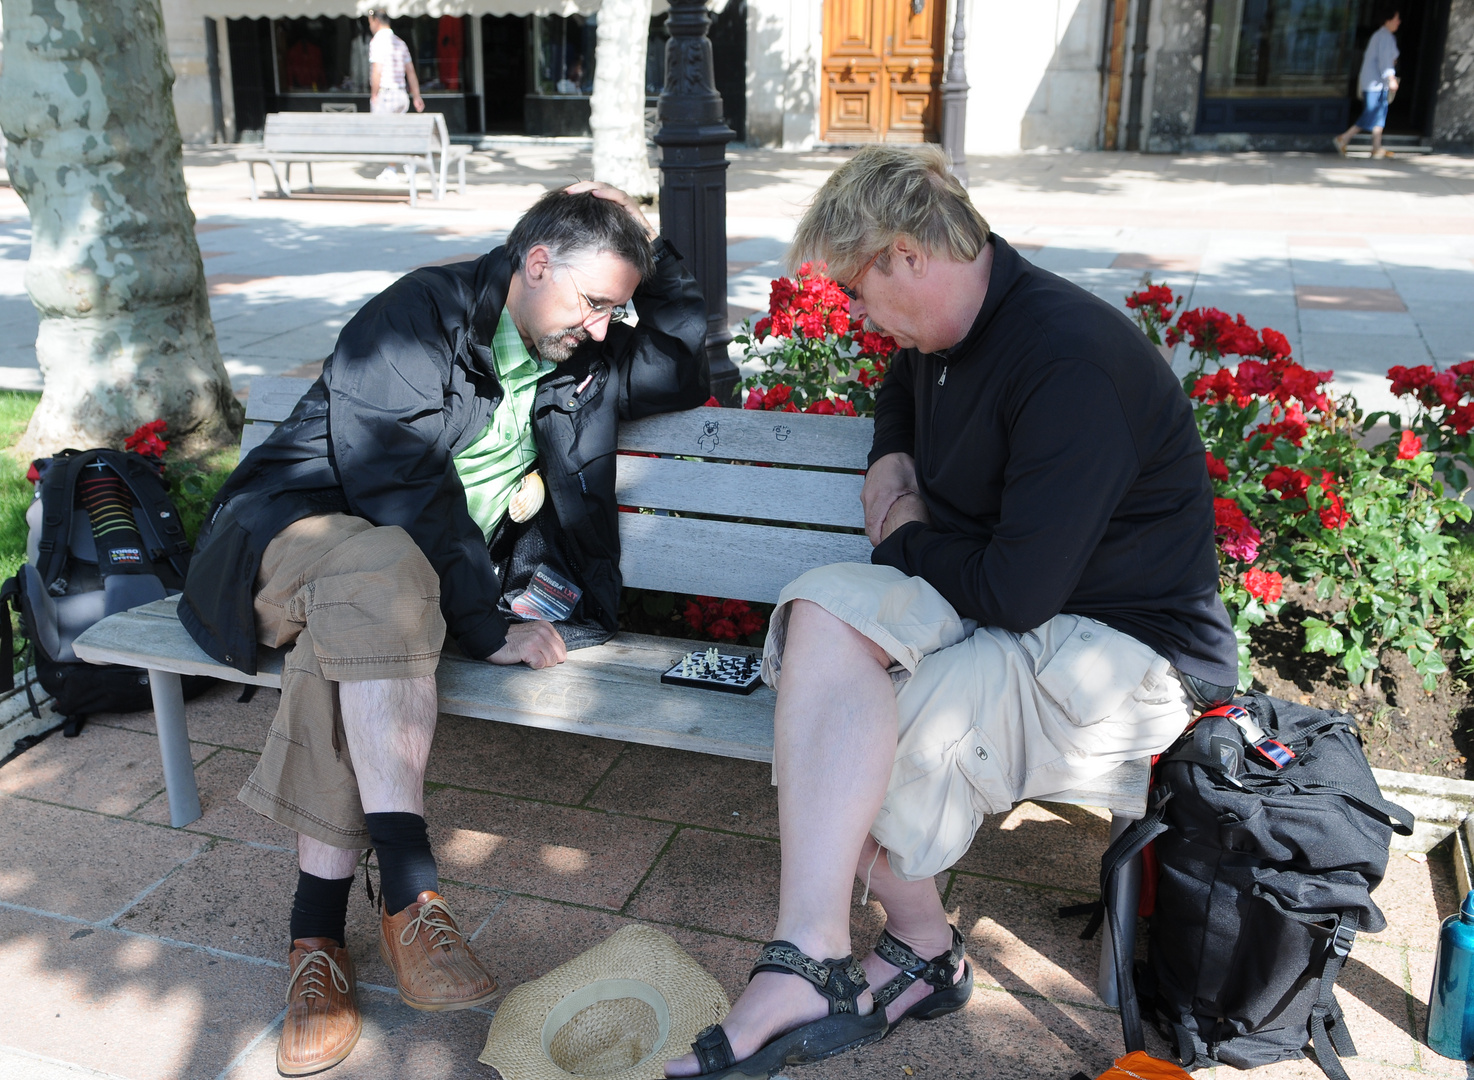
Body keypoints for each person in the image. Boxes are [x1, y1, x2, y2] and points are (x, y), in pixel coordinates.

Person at [664, 144, 1238, 1080]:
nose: (855, 315)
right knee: (818, 614)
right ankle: (818, 950)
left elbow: (1018, 593)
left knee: (888, 733)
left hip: (1126, 653)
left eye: (857, 289)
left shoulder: (1069, 360)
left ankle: (910, 953)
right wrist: (892, 460)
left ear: (905, 255)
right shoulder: (947, 326)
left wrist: (897, 535)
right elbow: (905, 388)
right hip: (1007, 606)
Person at [180, 183, 708, 1076]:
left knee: (356, 631)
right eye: (594, 302)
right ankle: (413, 890)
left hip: (383, 604)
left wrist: (648, 242)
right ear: (535, 262)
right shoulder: (416, 317)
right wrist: (483, 622)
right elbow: (399, 486)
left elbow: (687, 366)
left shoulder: (575, 351)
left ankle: (317, 945)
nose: (607, 328)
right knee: (382, 568)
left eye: (619, 308)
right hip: (283, 542)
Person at [1336, 10, 1401, 159]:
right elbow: (1385, 61)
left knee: (1379, 114)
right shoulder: (1385, 37)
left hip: (1376, 83)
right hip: (1375, 83)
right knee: (1371, 113)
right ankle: (1344, 137)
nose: (1398, 22)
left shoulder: (1382, 36)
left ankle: (1377, 147)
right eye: (1396, 19)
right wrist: (1391, 77)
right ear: (1388, 20)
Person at [367, 9, 423, 115]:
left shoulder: (377, 42)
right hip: (401, 94)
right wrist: (416, 96)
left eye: (370, 23)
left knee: (380, 130)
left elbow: (377, 70)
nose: (370, 27)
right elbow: (410, 71)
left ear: (377, 21)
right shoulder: (400, 42)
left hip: (385, 95)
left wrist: (374, 94)